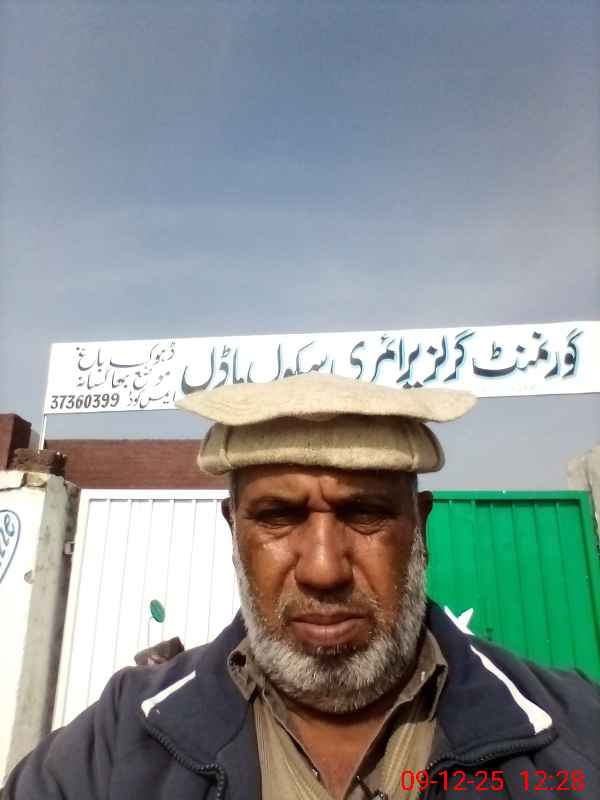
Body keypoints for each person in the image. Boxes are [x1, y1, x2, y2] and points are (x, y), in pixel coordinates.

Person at [2, 374, 599, 799]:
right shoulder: (119, 742)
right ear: (234, 531)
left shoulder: (572, 732)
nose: (323, 570)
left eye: (364, 514)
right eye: (278, 517)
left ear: (420, 527)